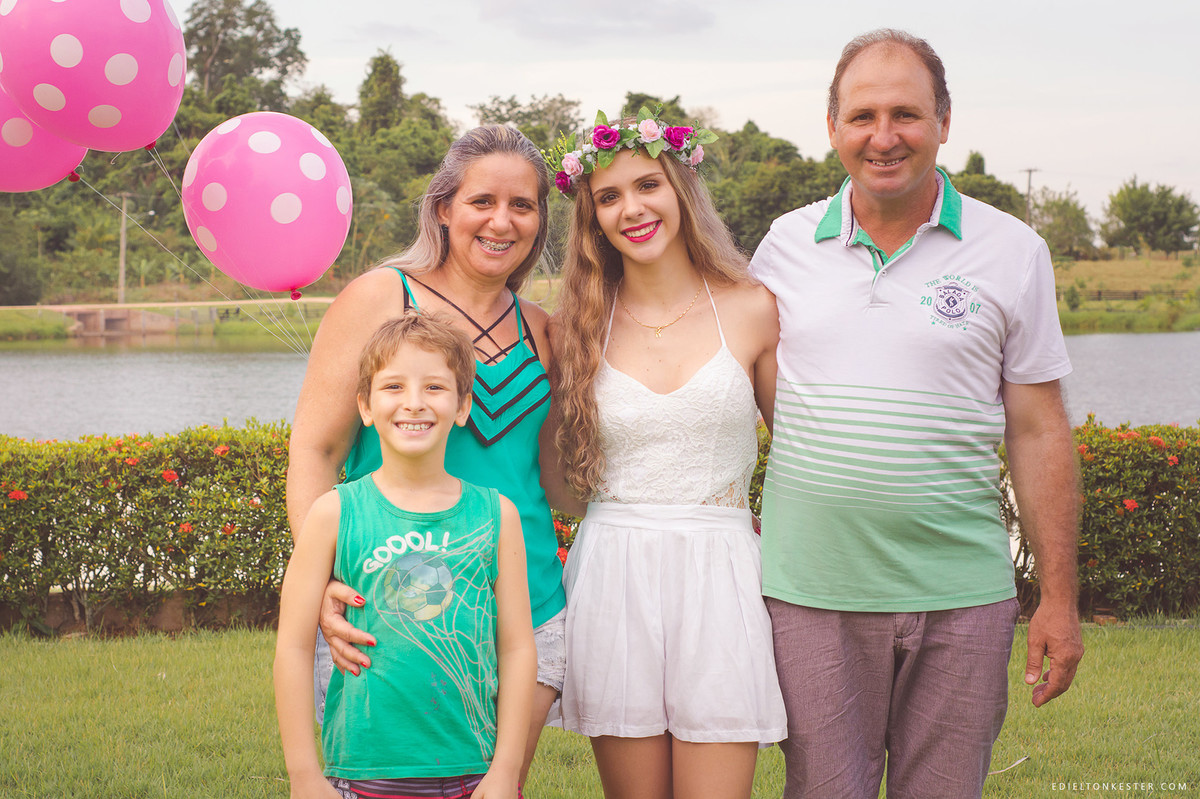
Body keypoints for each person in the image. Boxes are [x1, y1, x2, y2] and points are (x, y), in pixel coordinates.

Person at [749, 29, 1084, 798]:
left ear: (944, 120)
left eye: (907, 113)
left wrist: (1059, 600)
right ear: (832, 126)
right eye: (863, 115)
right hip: (811, 596)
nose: (884, 136)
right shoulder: (782, 248)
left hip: (963, 597)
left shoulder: (1014, 250)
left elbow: (1038, 431)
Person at [285, 125, 566, 786]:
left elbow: (556, 478)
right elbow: (316, 448)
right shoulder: (381, 298)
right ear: (444, 208)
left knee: (494, 784)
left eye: (522, 206)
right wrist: (321, 579)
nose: (502, 221)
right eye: (482, 202)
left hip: (529, 609)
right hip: (388, 600)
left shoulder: (546, 329)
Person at [546, 108, 785, 799]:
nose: (632, 208)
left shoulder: (751, 308)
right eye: (609, 197)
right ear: (592, 218)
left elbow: (800, 455)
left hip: (722, 569)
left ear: (680, 186)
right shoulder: (575, 329)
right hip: (615, 572)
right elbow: (560, 488)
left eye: (647, 185)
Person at [275, 313, 536, 799]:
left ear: (463, 406)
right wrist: (304, 777)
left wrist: (505, 772)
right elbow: (291, 648)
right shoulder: (334, 513)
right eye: (393, 386)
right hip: (363, 772)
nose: (414, 403)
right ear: (365, 406)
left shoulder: (497, 516)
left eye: (435, 387)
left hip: (473, 772)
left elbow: (518, 650)